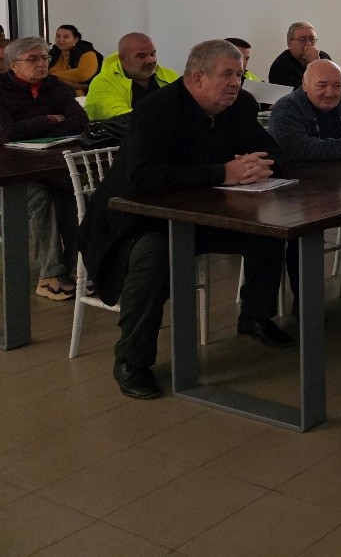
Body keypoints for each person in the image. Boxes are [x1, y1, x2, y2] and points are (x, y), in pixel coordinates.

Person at [77, 39, 295, 401]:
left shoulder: (240, 105)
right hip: (134, 219)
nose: (236, 83)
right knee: (154, 254)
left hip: (204, 213)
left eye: (239, 75)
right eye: (227, 75)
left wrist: (260, 165)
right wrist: (222, 173)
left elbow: (271, 148)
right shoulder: (156, 110)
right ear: (197, 78)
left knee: (267, 230)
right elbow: (143, 177)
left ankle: (255, 316)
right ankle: (132, 360)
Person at [0, 36, 88, 300]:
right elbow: (6, 133)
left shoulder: (56, 87)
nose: (41, 64)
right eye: (33, 59)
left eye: (44, 58)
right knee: (41, 197)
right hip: (13, 171)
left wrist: (33, 126)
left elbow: (79, 122)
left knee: (75, 193)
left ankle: (77, 270)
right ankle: (51, 275)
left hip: (52, 164)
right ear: (13, 65)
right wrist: (49, 119)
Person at [85, 32, 179, 121]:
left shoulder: (169, 75)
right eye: (141, 56)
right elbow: (121, 119)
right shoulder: (103, 83)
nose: (150, 60)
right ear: (123, 58)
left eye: (152, 54)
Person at [268, 22, 341, 96]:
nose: (308, 44)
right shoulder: (281, 66)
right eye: (302, 40)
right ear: (290, 43)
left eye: (312, 39)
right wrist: (315, 63)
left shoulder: (323, 56)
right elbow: (305, 96)